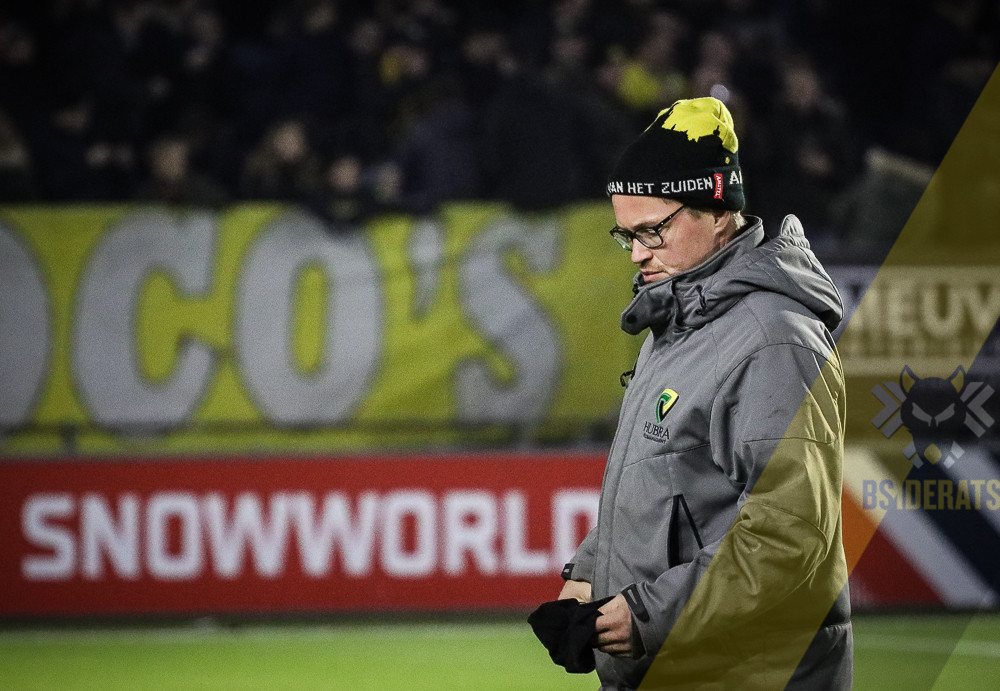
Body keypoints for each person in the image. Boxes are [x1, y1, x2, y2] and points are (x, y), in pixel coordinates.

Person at [547, 97, 853, 688]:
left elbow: (789, 537)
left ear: (718, 212)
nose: (638, 253)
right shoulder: (679, 325)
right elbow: (670, 488)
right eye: (626, 235)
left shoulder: (771, 339)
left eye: (652, 231)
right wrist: (591, 574)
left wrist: (649, 615)